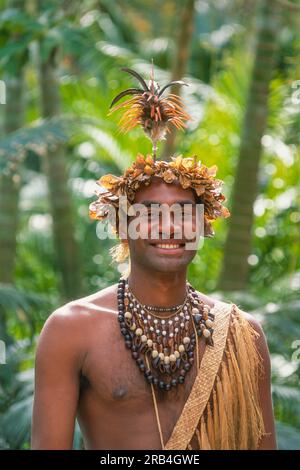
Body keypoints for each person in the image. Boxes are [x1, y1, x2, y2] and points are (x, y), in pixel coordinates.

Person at [31, 67, 276, 450]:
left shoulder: (242, 335)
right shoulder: (71, 330)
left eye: (183, 212)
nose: (169, 227)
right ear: (123, 227)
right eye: (150, 215)